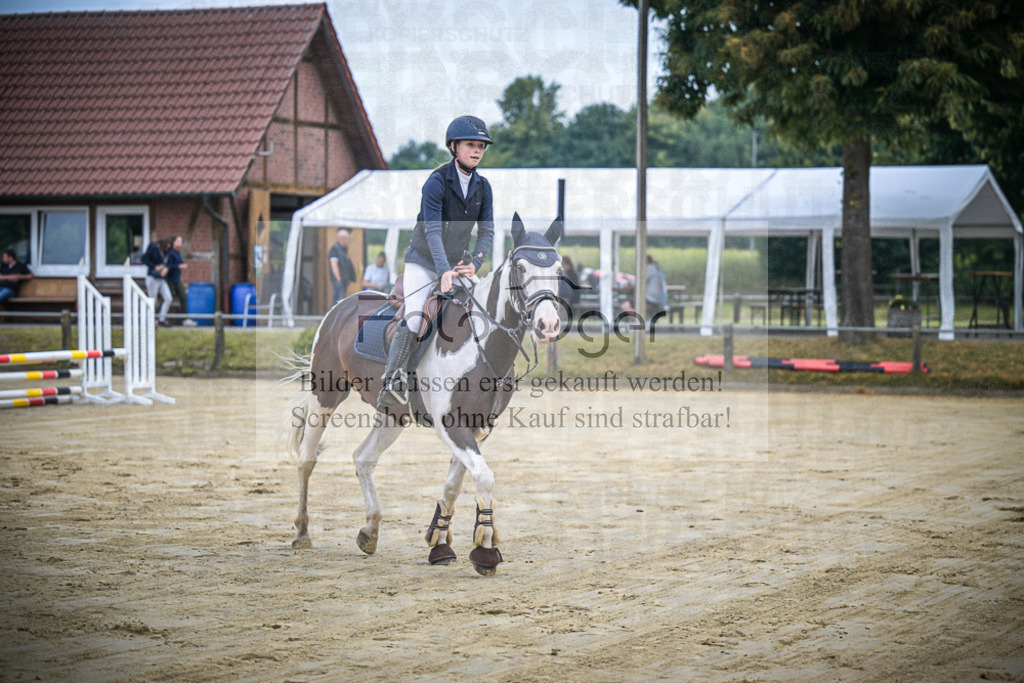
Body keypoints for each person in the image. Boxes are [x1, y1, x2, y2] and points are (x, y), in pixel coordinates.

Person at [378, 115, 495, 410]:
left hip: (456, 264)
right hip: (423, 260)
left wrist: (475, 264)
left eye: (481, 145)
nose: (477, 150)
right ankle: (393, 381)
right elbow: (432, 230)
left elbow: (487, 231)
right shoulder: (436, 182)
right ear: (454, 146)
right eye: (471, 144)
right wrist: (442, 270)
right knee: (417, 316)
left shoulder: (484, 187)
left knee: (484, 308)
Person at [141, 238, 173, 326]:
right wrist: (154, 267)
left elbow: (168, 262)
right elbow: (144, 259)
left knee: (168, 298)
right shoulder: (153, 248)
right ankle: (151, 321)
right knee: (152, 300)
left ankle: (161, 319)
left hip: (161, 278)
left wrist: (166, 269)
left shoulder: (166, 252)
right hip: (152, 277)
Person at [164, 235, 189, 324]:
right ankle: (159, 318)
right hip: (170, 280)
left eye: (181, 241)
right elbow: (168, 266)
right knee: (167, 299)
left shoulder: (178, 253)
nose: (179, 243)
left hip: (177, 279)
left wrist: (182, 265)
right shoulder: (170, 253)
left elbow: (179, 263)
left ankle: (185, 319)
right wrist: (178, 266)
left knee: (183, 297)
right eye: (178, 241)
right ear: (173, 242)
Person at [329, 228, 356, 305]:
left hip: (343, 281)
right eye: (348, 239)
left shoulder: (343, 250)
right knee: (338, 302)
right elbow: (334, 265)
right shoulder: (335, 249)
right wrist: (339, 279)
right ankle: (336, 317)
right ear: (343, 239)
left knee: (340, 300)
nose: (348, 242)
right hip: (339, 281)